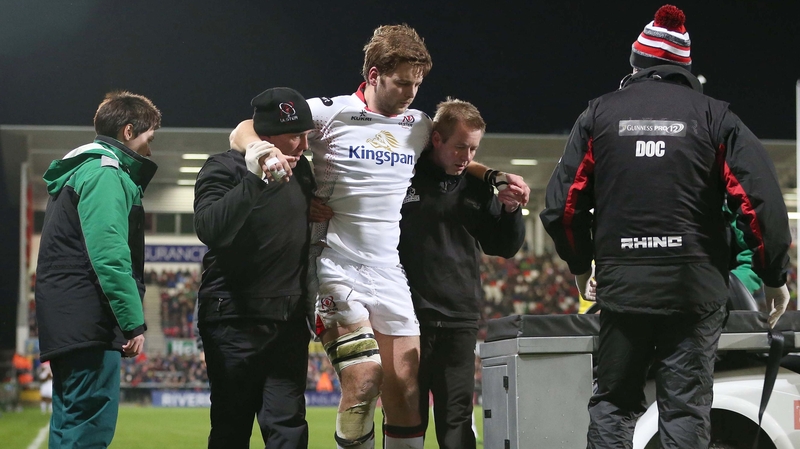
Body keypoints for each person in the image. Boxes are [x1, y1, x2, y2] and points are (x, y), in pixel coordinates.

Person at [230, 24, 530, 449]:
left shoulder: (419, 124)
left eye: (418, 83)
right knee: (364, 377)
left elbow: (453, 157)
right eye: (402, 82)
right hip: (334, 262)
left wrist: (495, 175)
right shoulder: (330, 112)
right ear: (373, 75)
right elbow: (247, 125)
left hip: (389, 271)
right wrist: (259, 150)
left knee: (407, 389)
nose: (411, 91)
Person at [539, 5, 791, 449]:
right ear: (686, 69)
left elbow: (562, 207)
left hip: (623, 287)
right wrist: (775, 277)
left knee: (614, 404)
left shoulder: (597, 116)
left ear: (635, 64)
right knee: (685, 409)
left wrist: (582, 266)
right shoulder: (717, 117)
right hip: (694, 290)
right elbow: (760, 202)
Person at [397, 98, 525, 449]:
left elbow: (503, 246)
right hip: (407, 319)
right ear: (436, 139)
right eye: (459, 147)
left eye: (473, 149)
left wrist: (511, 211)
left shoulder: (477, 187)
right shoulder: (402, 173)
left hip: (459, 319)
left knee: (457, 424)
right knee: (407, 422)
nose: (466, 156)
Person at [35, 90, 160, 447]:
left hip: (67, 319)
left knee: (69, 423)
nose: (150, 150)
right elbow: (108, 254)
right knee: (88, 427)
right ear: (128, 131)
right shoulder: (106, 174)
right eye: (149, 139)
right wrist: (131, 320)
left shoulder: (81, 171)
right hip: (89, 321)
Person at [194, 87, 315, 449]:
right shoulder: (222, 167)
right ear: (266, 135)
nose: (304, 145)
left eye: (307, 135)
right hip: (233, 320)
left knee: (288, 427)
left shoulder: (303, 172)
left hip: (287, 322)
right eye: (295, 135)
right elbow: (209, 229)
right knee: (232, 428)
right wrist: (254, 178)